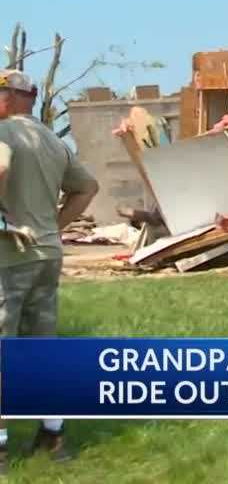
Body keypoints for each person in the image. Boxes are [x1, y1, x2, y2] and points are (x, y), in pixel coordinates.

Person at [0, 70, 99, 470]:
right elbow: (88, 187)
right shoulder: (53, 141)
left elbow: (1, 167)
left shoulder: (5, 134)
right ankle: (53, 435)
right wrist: (52, 228)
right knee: (42, 345)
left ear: (12, 97)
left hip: (9, 257)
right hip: (45, 253)